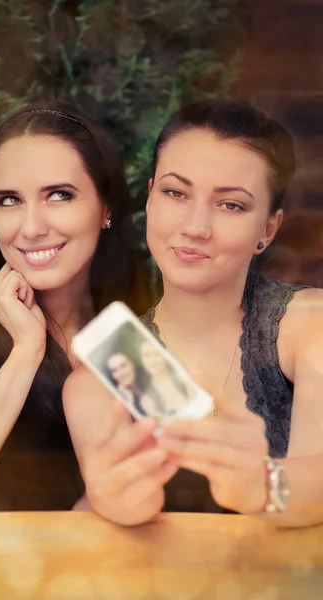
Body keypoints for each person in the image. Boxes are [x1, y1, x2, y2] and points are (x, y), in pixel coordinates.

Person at [63, 99, 323, 527]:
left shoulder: (306, 323)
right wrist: (116, 501)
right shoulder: (113, 366)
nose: (196, 226)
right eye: (175, 193)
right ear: (149, 198)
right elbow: (118, 506)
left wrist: (263, 482)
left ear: (268, 229)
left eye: (231, 205)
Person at [0, 101, 142, 513]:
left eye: (59, 195)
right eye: (9, 200)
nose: (31, 227)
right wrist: (26, 352)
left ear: (106, 207)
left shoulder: (128, 336)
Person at [139, 340, 194, 416]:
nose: (152, 361)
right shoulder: (147, 400)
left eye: (157, 353)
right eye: (146, 355)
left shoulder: (185, 376)